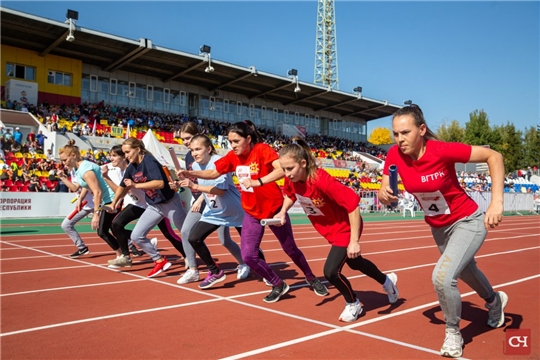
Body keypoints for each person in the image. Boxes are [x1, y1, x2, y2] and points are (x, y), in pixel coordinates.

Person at [378, 104, 508, 358]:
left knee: (442, 276)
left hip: (467, 220)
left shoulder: (442, 150)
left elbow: (495, 157)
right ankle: (495, 301)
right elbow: (385, 191)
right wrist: (384, 195)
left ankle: (453, 332)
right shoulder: (394, 155)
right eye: (396, 134)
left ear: (422, 130)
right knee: (467, 273)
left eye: (405, 132)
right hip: (439, 228)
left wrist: (497, 202)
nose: (399, 139)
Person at [178, 120, 328, 303]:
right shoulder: (232, 157)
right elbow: (214, 173)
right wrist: (191, 174)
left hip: (274, 210)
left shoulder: (262, 150)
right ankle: (277, 284)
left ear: (248, 139)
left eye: (236, 141)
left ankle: (311, 277)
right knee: (248, 256)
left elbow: (282, 170)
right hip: (251, 212)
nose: (232, 146)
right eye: (230, 142)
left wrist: (259, 182)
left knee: (291, 249)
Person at [275, 137, 399, 322]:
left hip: (346, 227)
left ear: (303, 163)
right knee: (355, 263)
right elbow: (291, 195)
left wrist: (354, 241)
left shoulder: (321, 180)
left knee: (331, 272)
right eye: (284, 169)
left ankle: (353, 303)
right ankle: (387, 282)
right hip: (330, 229)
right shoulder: (292, 180)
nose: (287, 174)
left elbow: (353, 205)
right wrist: (282, 212)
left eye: (290, 169)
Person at [176, 122, 252, 284]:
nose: (194, 153)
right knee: (193, 237)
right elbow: (202, 187)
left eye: (198, 149)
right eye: (192, 150)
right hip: (214, 211)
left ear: (209, 149)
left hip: (235, 210)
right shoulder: (195, 165)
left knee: (249, 246)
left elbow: (220, 191)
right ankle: (215, 271)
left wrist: (194, 185)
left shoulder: (220, 162)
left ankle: (260, 267)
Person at [109, 138, 187, 278]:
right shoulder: (131, 167)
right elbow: (122, 186)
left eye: (128, 152)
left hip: (170, 203)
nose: (126, 156)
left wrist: (136, 185)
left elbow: (159, 183)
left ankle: (199, 262)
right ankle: (159, 260)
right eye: (124, 153)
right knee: (136, 236)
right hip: (154, 205)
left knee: (188, 234)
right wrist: (114, 203)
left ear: (138, 149)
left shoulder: (149, 161)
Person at [58, 145, 122, 260]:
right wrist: (63, 178)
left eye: (65, 160)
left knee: (103, 231)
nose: (64, 163)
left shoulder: (85, 169)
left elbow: (97, 191)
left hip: (110, 199)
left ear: (73, 156)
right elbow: (76, 187)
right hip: (105, 201)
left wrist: (96, 214)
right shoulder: (78, 169)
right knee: (111, 228)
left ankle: (123, 253)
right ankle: (128, 247)